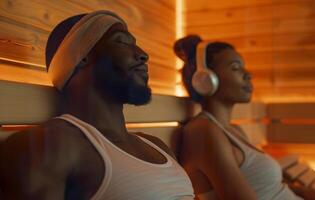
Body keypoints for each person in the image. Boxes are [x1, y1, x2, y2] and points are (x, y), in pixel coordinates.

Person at [0, 10, 194, 200]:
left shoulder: (156, 146)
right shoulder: (51, 147)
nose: (143, 55)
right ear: (80, 56)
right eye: (121, 42)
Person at [174, 35, 315, 200]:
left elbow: (263, 186)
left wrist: (305, 192)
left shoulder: (234, 130)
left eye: (244, 67)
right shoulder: (203, 131)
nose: (248, 74)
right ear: (204, 79)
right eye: (235, 68)